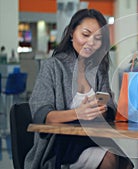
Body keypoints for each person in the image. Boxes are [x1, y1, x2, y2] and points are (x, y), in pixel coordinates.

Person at [24, 9, 132, 169]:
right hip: (61, 144)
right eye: (85, 34)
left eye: (98, 38)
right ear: (71, 33)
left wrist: (102, 109)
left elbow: (109, 107)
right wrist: (78, 113)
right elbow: (42, 114)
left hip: (93, 138)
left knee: (119, 156)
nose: (91, 43)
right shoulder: (53, 67)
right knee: (110, 157)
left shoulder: (98, 69)